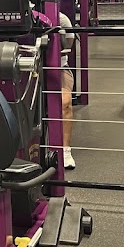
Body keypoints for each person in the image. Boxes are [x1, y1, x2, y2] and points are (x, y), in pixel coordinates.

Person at [58, 11, 76, 170]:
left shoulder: (62, 19)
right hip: (25, 67)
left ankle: (65, 151)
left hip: (59, 68)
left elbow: (68, 46)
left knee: (65, 102)